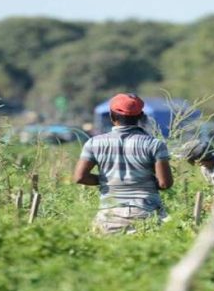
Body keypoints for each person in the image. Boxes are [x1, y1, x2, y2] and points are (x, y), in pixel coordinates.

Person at [74, 93, 173, 234]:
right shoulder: (155, 145)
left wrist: (106, 180)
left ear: (111, 116)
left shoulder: (94, 143)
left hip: (108, 215)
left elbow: (80, 177)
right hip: (145, 214)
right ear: (141, 116)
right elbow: (165, 183)